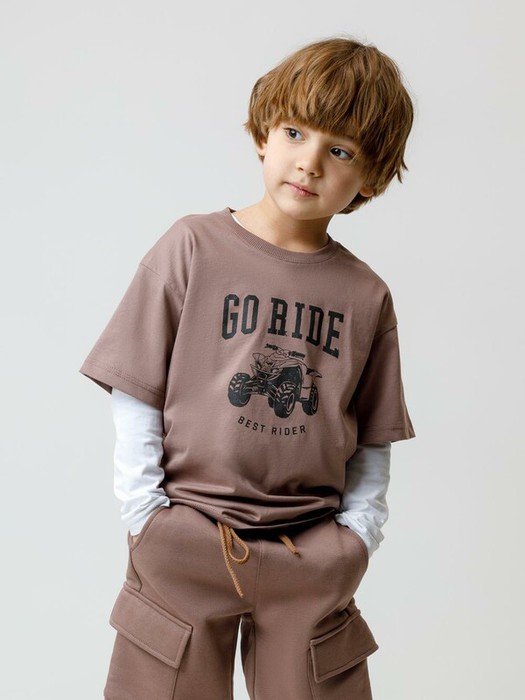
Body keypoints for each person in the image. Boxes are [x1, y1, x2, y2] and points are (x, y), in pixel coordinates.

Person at [79, 34, 416, 700]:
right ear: (263, 134)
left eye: (340, 151)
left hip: (311, 548)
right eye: (295, 133)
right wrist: (144, 511)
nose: (309, 162)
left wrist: (358, 534)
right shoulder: (192, 246)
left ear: (370, 178)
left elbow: (372, 433)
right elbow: (137, 386)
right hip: (186, 531)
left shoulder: (365, 295)